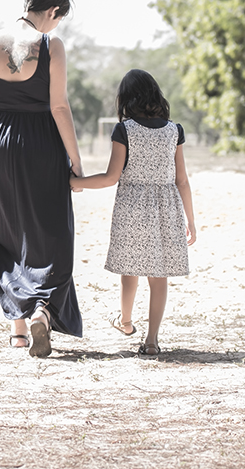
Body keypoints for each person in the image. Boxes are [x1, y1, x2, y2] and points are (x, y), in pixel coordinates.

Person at [0, 0, 84, 357]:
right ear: (52, 12)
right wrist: (76, 163)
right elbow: (59, 108)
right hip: (40, 146)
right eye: (58, 19)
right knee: (53, 235)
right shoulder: (50, 46)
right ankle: (42, 312)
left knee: (4, 235)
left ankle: (17, 330)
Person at [71, 69, 197, 356]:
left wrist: (74, 182)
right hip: (166, 207)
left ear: (126, 99)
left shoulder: (124, 130)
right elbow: (182, 180)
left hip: (132, 208)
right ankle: (152, 340)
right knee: (159, 275)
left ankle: (125, 322)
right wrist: (190, 220)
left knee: (130, 269)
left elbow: (110, 177)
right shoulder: (173, 130)